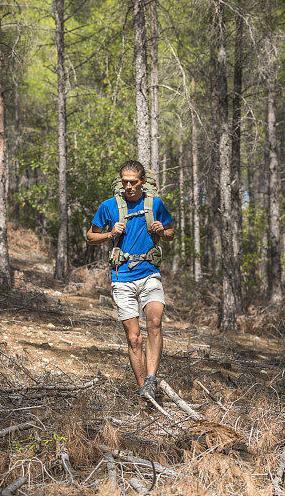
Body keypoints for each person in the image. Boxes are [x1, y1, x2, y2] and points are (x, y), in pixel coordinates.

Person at [86, 160, 174, 400]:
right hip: (121, 277)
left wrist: (160, 230)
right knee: (134, 338)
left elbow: (171, 233)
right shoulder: (108, 206)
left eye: (133, 182)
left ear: (142, 182)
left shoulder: (155, 204)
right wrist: (110, 234)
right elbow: (90, 237)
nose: (129, 186)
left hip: (149, 273)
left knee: (154, 323)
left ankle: (151, 379)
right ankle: (143, 389)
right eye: (124, 182)